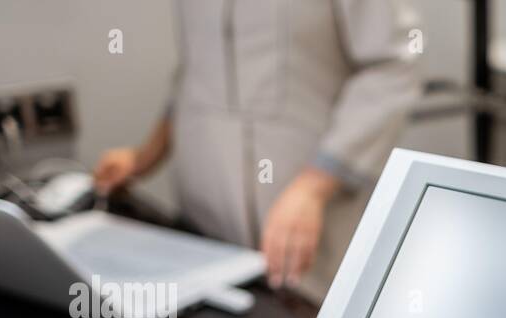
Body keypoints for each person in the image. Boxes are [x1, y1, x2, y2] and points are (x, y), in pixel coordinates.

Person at [94, 0, 420, 301]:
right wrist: (148, 153)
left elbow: (392, 68)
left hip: (304, 207)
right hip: (204, 213)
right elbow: (195, 68)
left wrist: (314, 186)